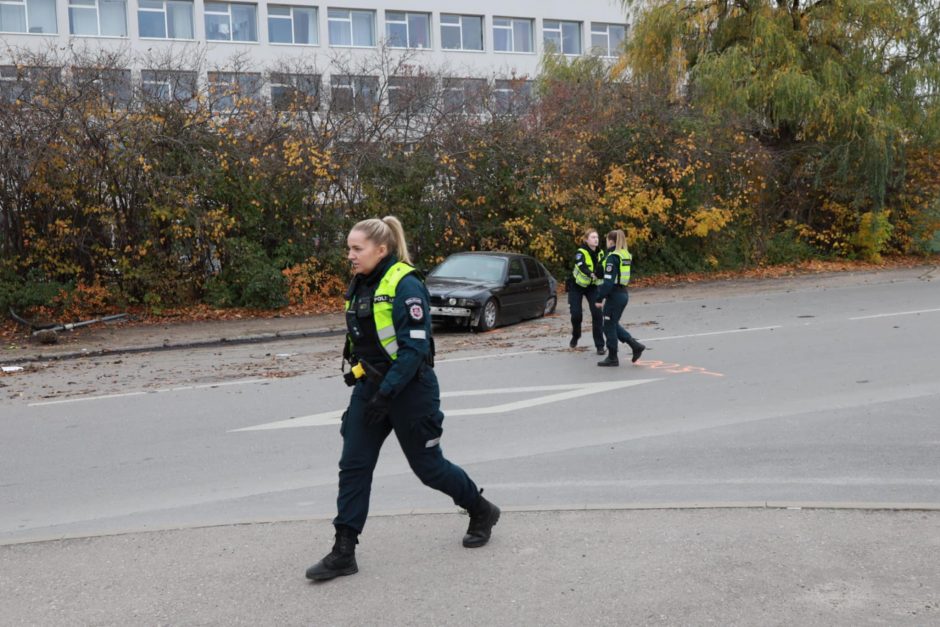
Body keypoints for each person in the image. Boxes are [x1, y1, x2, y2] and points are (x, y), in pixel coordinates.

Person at [306, 216, 500, 582]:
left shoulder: (406, 284)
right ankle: (343, 550)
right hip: (373, 390)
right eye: (348, 247)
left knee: (428, 468)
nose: (349, 254)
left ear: (381, 249)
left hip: (410, 390)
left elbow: (414, 349)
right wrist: (359, 374)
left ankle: (480, 509)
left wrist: (386, 393)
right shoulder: (361, 283)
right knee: (354, 466)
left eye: (356, 248)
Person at [595, 229, 647, 367]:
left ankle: (612, 357)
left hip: (614, 295)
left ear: (611, 241)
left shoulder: (613, 256)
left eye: (606, 240)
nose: (605, 243)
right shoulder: (624, 254)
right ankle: (635, 346)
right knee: (612, 324)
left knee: (608, 326)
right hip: (622, 294)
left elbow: (608, 282)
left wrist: (599, 298)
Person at [568, 228, 606, 355]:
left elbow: (604, 268)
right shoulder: (581, 252)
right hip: (576, 286)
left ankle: (600, 346)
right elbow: (581, 265)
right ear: (586, 239)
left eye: (597, 237)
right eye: (593, 237)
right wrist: (590, 274)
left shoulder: (601, 253)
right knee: (576, 314)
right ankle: (576, 335)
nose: (596, 239)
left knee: (597, 314)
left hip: (592, 287)